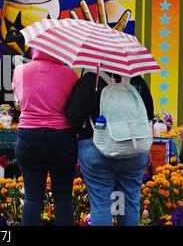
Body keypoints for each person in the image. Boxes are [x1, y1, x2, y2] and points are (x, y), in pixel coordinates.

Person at [64, 71, 154, 226]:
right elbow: (148, 115)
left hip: (97, 151)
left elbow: (73, 118)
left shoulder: (91, 80)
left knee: (102, 206)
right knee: (129, 204)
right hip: (134, 150)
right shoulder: (138, 82)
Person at [12, 48, 79, 226]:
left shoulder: (20, 71)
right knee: (63, 198)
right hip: (61, 138)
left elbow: (20, 99)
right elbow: (73, 106)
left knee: (32, 197)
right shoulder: (71, 75)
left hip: (28, 137)